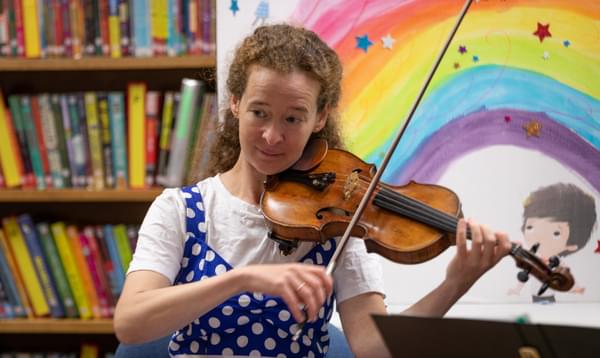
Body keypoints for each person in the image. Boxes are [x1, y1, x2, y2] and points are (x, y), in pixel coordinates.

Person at [114, 24, 512, 357]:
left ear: (320, 117)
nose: (272, 135)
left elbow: (373, 348)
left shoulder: (339, 220)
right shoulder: (182, 210)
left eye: (293, 118)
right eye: (259, 113)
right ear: (234, 103)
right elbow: (130, 324)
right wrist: (243, 279)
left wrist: (455, 284)